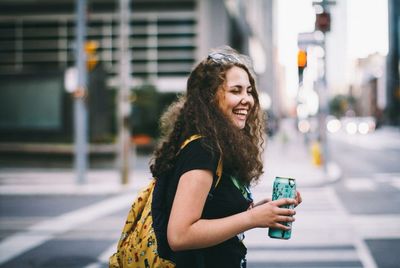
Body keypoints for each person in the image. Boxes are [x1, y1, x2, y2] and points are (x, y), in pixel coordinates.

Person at [149, 46, 302, 268]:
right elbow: (179, 236)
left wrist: (259, 211)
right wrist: (251, 219)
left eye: (249, 91)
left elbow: (213, 212)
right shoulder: (202, 150)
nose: (247, 100)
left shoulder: (218, 146)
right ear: (209, 98)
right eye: (236, 91)